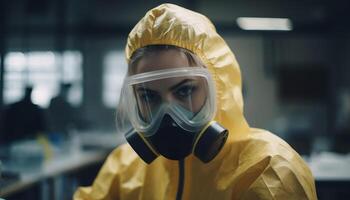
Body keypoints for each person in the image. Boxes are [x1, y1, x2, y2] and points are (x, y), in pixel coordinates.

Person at [74, 3, 317, 200]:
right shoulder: (124, 167)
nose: (167, 115)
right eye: (148, 96)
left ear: (218, 87)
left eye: (185, 91)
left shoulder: (267, 168)